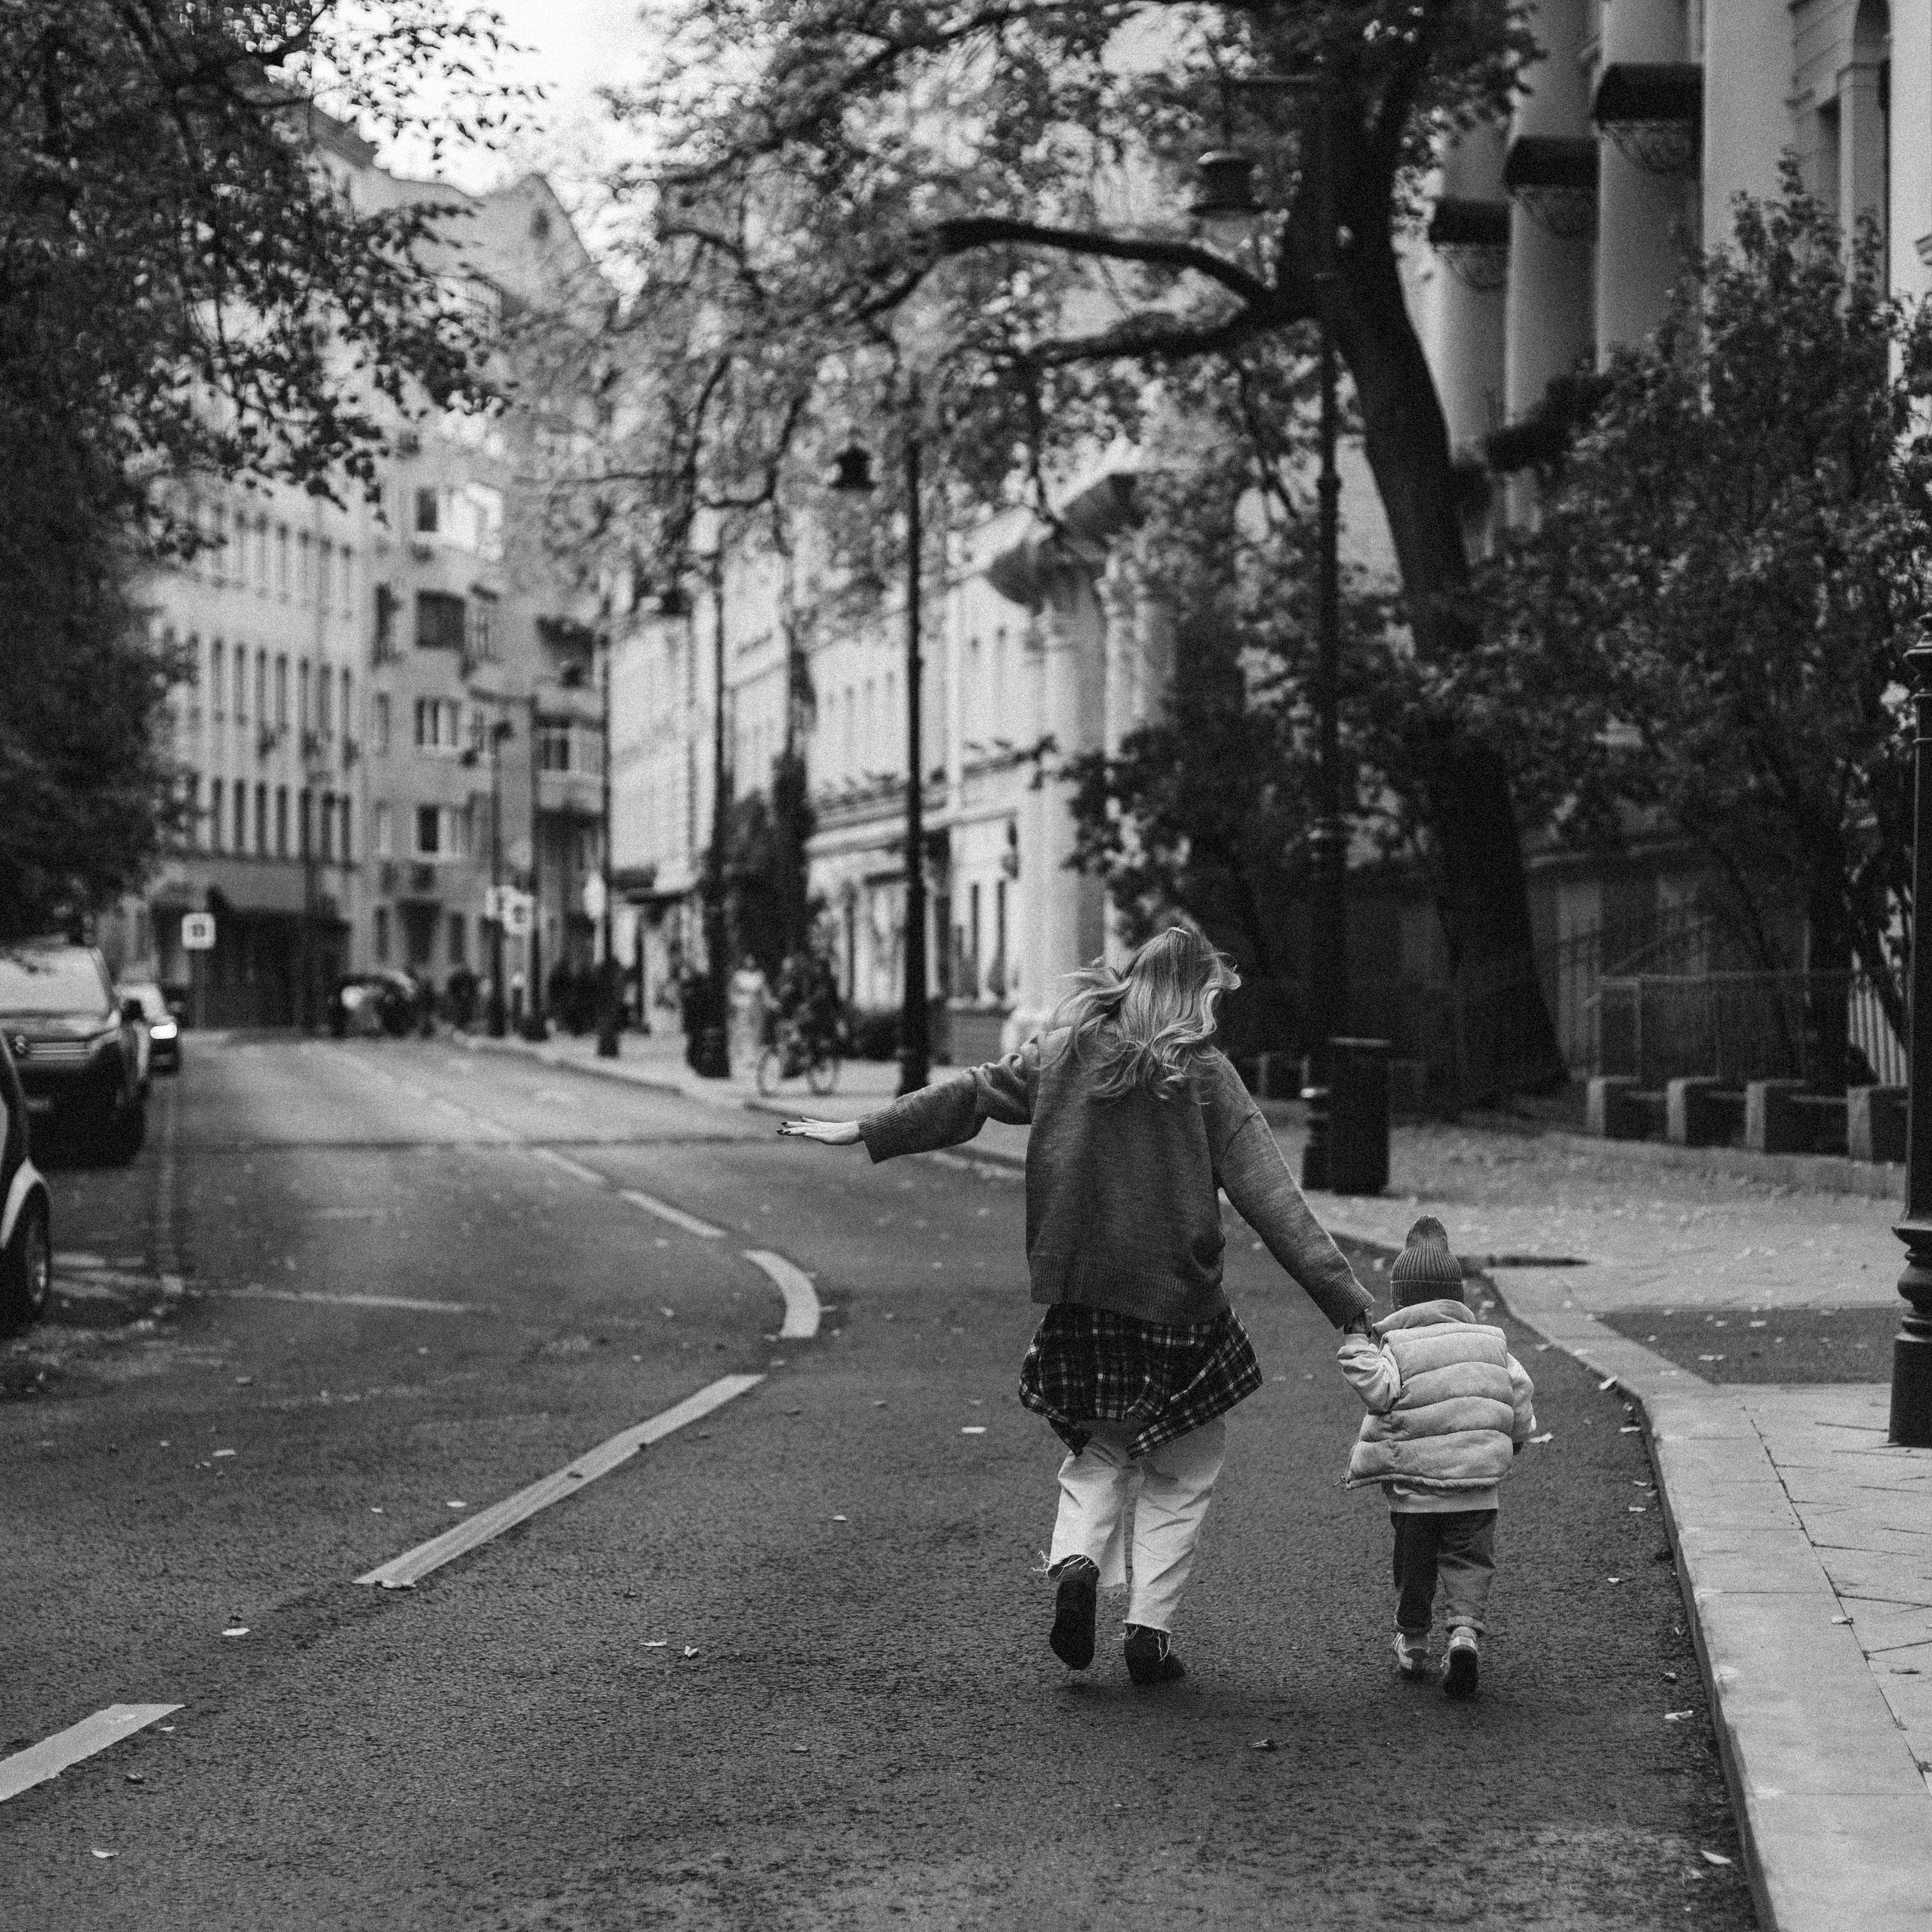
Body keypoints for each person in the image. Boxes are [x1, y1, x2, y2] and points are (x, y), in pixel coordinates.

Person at [779, 924, 1375, 1686]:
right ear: (1194, 992)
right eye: (1212, 995)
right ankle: (1148, 1632)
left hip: (1083, 1298)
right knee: (1183, 1468)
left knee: (1100, 1448)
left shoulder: (1064, 1055)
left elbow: (971, 1094)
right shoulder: (1204, 1074)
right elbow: (1272, 1199)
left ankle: (1077, 1563)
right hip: (1178, 1308)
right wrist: (1347, 1303)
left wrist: (868, 1127)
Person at [1337, 1215, 1537, 1700]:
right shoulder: (1492, 1343)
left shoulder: (1397, 1347)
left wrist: (1355, 1343)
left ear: (1401, 1300)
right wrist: (1513, 1440)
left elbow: (1378, 1392)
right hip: (1477, 1489)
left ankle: (1412, 1640)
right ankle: (1465, 1634)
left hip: (1416, 1493)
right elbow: (1519, 1395)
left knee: (1414, 1568)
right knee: (1470, 1563)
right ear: (1457, 1299)